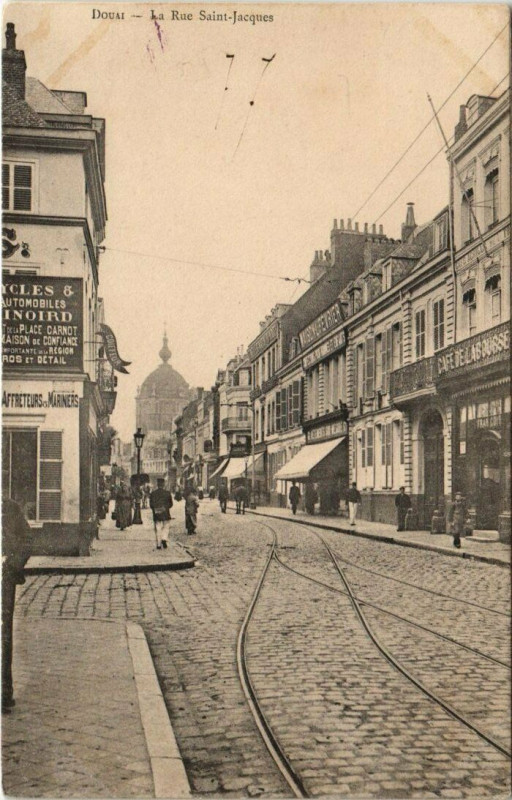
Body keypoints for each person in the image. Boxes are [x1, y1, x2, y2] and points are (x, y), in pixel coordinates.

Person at [2, 499, 31, 714]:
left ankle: (3, 693)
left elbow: (27, 539)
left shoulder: (10, 508)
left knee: (3, 635)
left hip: (3, 578)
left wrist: (13, 564)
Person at [150, 478, 173, 549]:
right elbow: (171, 504)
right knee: (166, 526)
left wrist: (156, 509)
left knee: (158, 527)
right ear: (163, 484)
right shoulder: (167, 493)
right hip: (165, 512)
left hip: (157, 513)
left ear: (157, 484)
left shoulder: (153, 493)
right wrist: (165, 508)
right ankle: (164, 538)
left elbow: (151, 505)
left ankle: (159, 544)